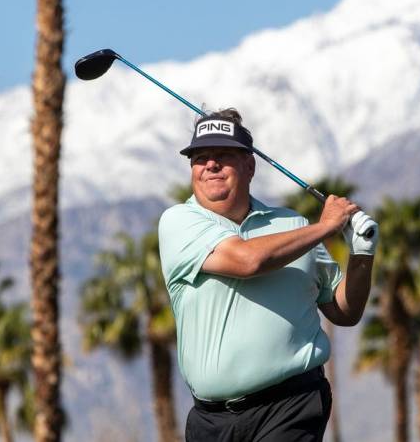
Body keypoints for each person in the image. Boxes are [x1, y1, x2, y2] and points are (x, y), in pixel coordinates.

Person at [158, 108, 377, 441]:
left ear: (250, 165)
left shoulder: (294, 225)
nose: (210, 165)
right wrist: (326, 226)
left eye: (223, 155)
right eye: (200, 158)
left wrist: (362, 253)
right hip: (210, 421)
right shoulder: (178, 223)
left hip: (292, 404)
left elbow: (344, 310)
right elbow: (247, 262)